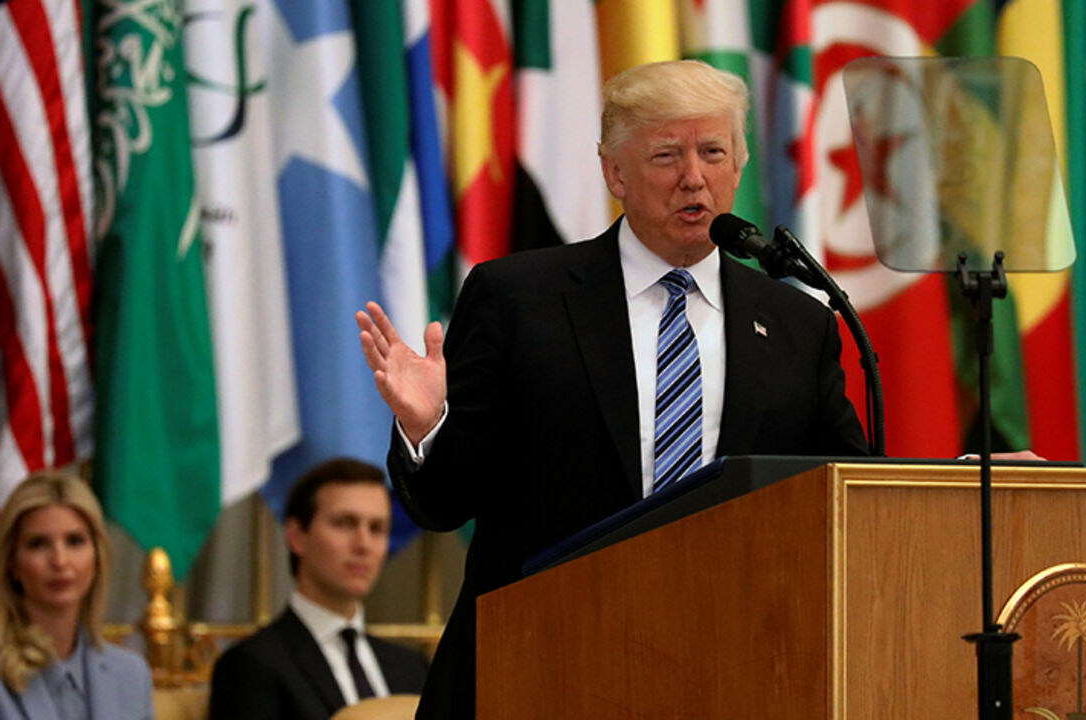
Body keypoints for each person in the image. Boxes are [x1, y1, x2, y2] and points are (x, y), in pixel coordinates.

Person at [356, 60, 869, 719]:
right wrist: (429, 429)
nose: (694, 176)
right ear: (614, 173)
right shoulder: (519, 300)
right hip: (541, 667)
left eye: (713, 151)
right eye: (666, 154)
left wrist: (959, 488)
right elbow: (445, 503)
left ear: (739, 164)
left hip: (732, 672)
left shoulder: (800, 323)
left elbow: (847, 489)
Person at [208, 459, 428, 720]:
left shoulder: (413, 668)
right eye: (345, 523)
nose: (364, 544)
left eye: (376, 528)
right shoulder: (250, 666)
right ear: (297, 535)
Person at [0, 471, 154, 720]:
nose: (60, 561)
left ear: (97, 557)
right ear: (11, 562)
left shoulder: (132, 675)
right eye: (38, 544)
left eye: (75, 541)